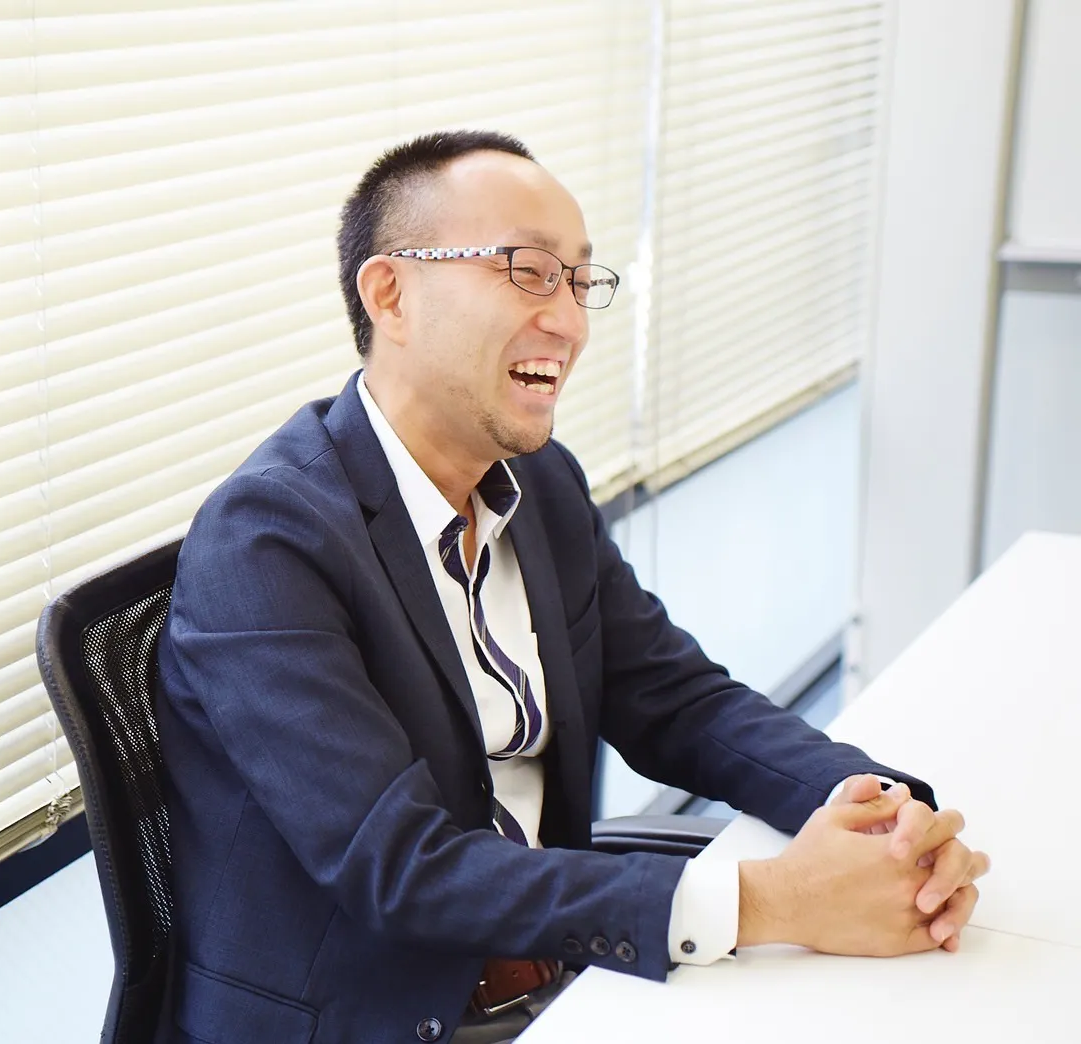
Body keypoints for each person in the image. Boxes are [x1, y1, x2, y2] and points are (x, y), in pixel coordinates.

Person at [153, 130, 991, 1044]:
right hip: (382, 1020)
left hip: (567, 976)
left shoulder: (541, 487)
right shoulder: (267, 542)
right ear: (390, 294)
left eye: (580, 280)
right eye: (527, 272)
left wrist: (882, 814)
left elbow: (677, 702)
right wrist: (772, 901)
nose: (570, 322)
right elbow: (399, 866)